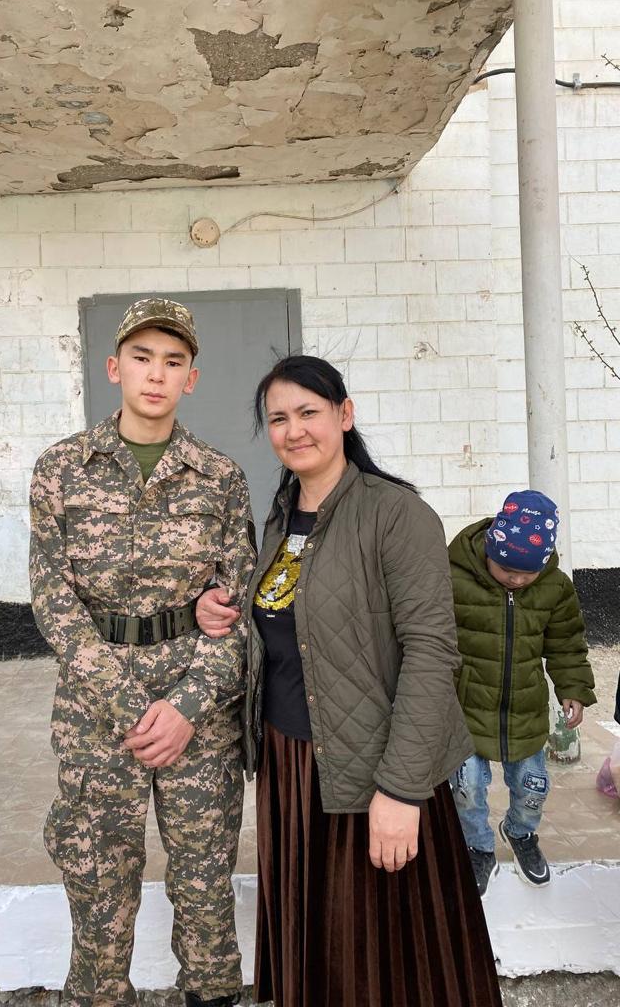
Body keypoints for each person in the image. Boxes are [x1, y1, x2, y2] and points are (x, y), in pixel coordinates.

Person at [197, 354, 501, 1007]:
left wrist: (401, 791)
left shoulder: (395, 513)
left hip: (375, 769)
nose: (293, 430)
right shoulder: (282, 516)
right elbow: (293, 622)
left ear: (344, 415)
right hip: (291, 767)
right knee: (322, 955)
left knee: (383, 962)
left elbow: (431, 653)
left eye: (308, 412)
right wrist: (224, 610)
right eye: (278, 418)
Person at [29, 297, 256, 1007]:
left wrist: (186, 707)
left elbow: (238, 611)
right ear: (113, 368)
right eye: (142, 358)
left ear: (191, 378)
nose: (156, 375)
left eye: (173, 361)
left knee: (204, 881)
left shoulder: (220, 477)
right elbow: (53, 601)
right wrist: (130, 706)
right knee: (98, 881)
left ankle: (212, 995)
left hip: (197, 711)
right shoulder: (61, 469)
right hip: (97, 712)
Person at [448, 491, 596, 895]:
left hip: (525, 709)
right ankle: (478, 846)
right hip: (465, 708)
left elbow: (567, 643)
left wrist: (573, 689)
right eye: (506, 569)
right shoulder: (453, 578)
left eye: (526, 573)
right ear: (490, 549)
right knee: (466, 789)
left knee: (532, 787)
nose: (516, 579)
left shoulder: (555, 588)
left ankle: (520, 832)